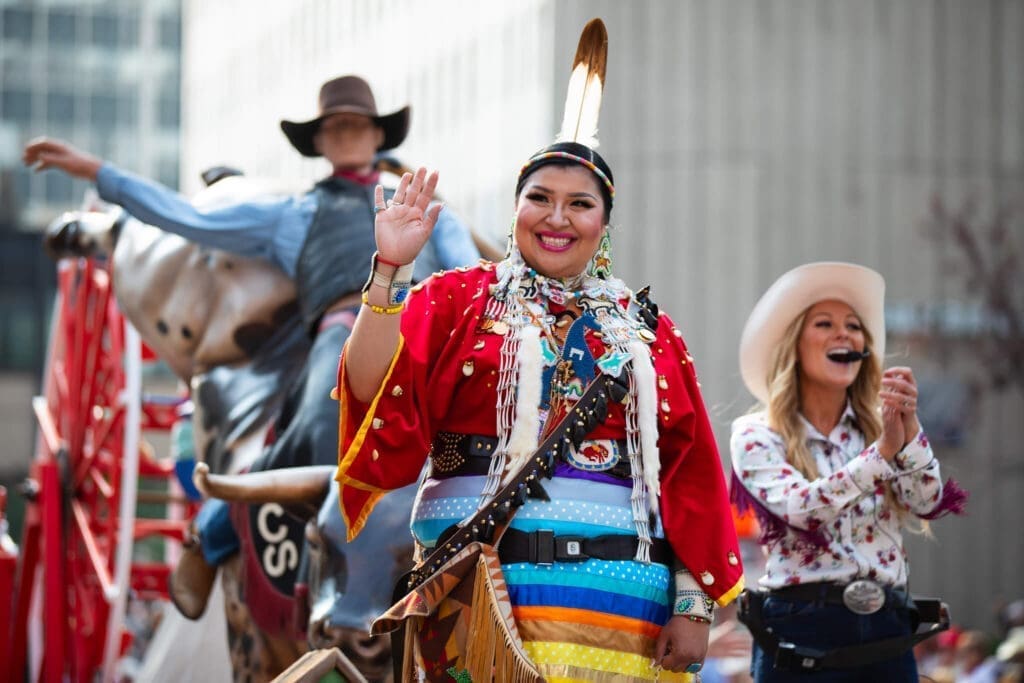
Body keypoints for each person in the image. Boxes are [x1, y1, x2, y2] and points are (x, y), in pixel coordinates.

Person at [333, 22, 745, 673]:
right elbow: (368, 388)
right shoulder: (454, 300)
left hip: (620, 612)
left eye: (580, 203)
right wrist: (388, 272)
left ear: (603, 224)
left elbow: (689, 477)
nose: (558, 217)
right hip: (472, 597)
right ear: (515, 208)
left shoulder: (649, 332)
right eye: (540, 198)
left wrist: (694, 608)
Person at [23, 74, 482, 618]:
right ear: (319, 141)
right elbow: (188, 219)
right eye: (335, 128)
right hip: (345, 332)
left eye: (357, 125)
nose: (347, 135)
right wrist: (99, 174)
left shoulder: (434, 207)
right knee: (320, 422)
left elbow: (473, 275)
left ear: (377, 133)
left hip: (425, 338)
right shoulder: (296, 213)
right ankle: (212, 536)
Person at [729, 262, 968, 682]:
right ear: (794, 347)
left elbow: (927, 500)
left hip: (887, 626)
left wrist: (910, 432)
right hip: (798, 627)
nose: (846, 335)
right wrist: (883, 454)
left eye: (855, 327)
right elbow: (802, 509)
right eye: (825, 324)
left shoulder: (884, 429)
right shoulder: (756, 433)